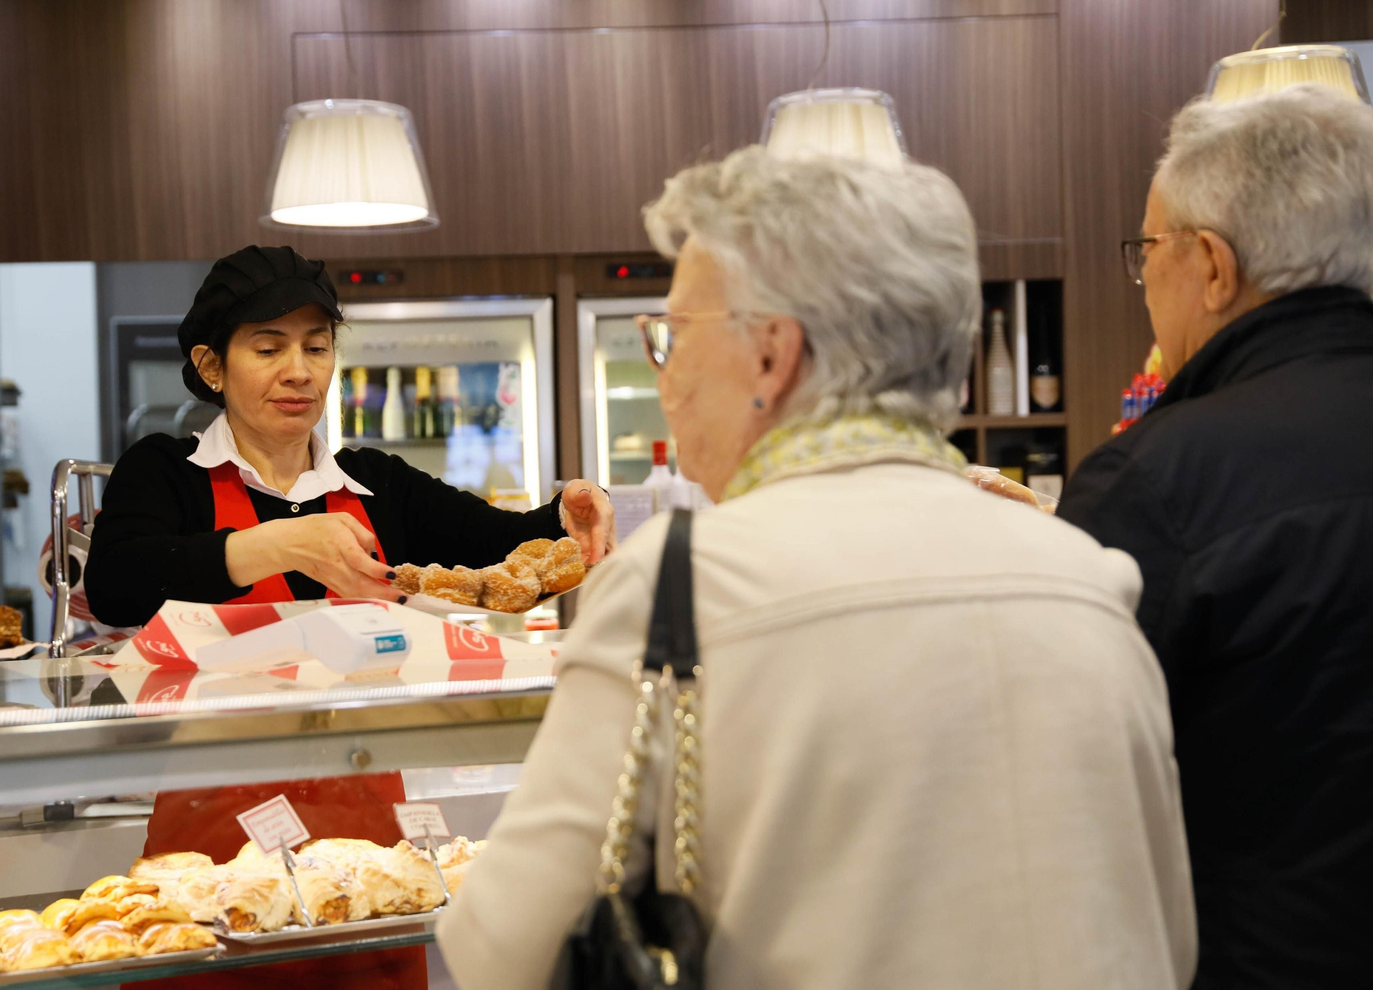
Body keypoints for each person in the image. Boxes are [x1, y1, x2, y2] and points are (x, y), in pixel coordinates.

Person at [436, 147, 1196, 989]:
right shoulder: (1087, 576)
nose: (668, 377)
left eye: (674, 336)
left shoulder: (678, 590)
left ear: (771, 354)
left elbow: (501, 949)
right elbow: (1164, 926)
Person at [83, 245, 615, 990]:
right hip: (212, 850)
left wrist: (567, 515)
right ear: (211, 366)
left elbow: (501, 544)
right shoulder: (166, 473)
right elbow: (118, 582)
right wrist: (277, 544)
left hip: (367, 849)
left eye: (317, 346)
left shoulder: (377, 484)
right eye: (268, 347)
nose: (298, 370)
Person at [1056, 84, 1373, 989]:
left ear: (1212, 266)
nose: (1145, 275)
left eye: (1148, 249)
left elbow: (1071, 781)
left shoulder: (1159, 482)